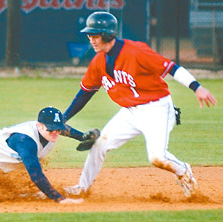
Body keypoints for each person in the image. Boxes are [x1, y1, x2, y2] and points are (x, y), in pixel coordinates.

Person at [63, 11, 217, 198]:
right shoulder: (98, 62)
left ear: (107, 35)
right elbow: (84, 93)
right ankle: (82, 187)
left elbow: (171, 68)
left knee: (157, 158)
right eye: (89, 36)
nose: (91, 40)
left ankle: (183, 170)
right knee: (99, 144)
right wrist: (64, 118)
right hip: (129, 112)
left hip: (156, 108)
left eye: (95, 36)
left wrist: (197, 87)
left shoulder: (136, 51)